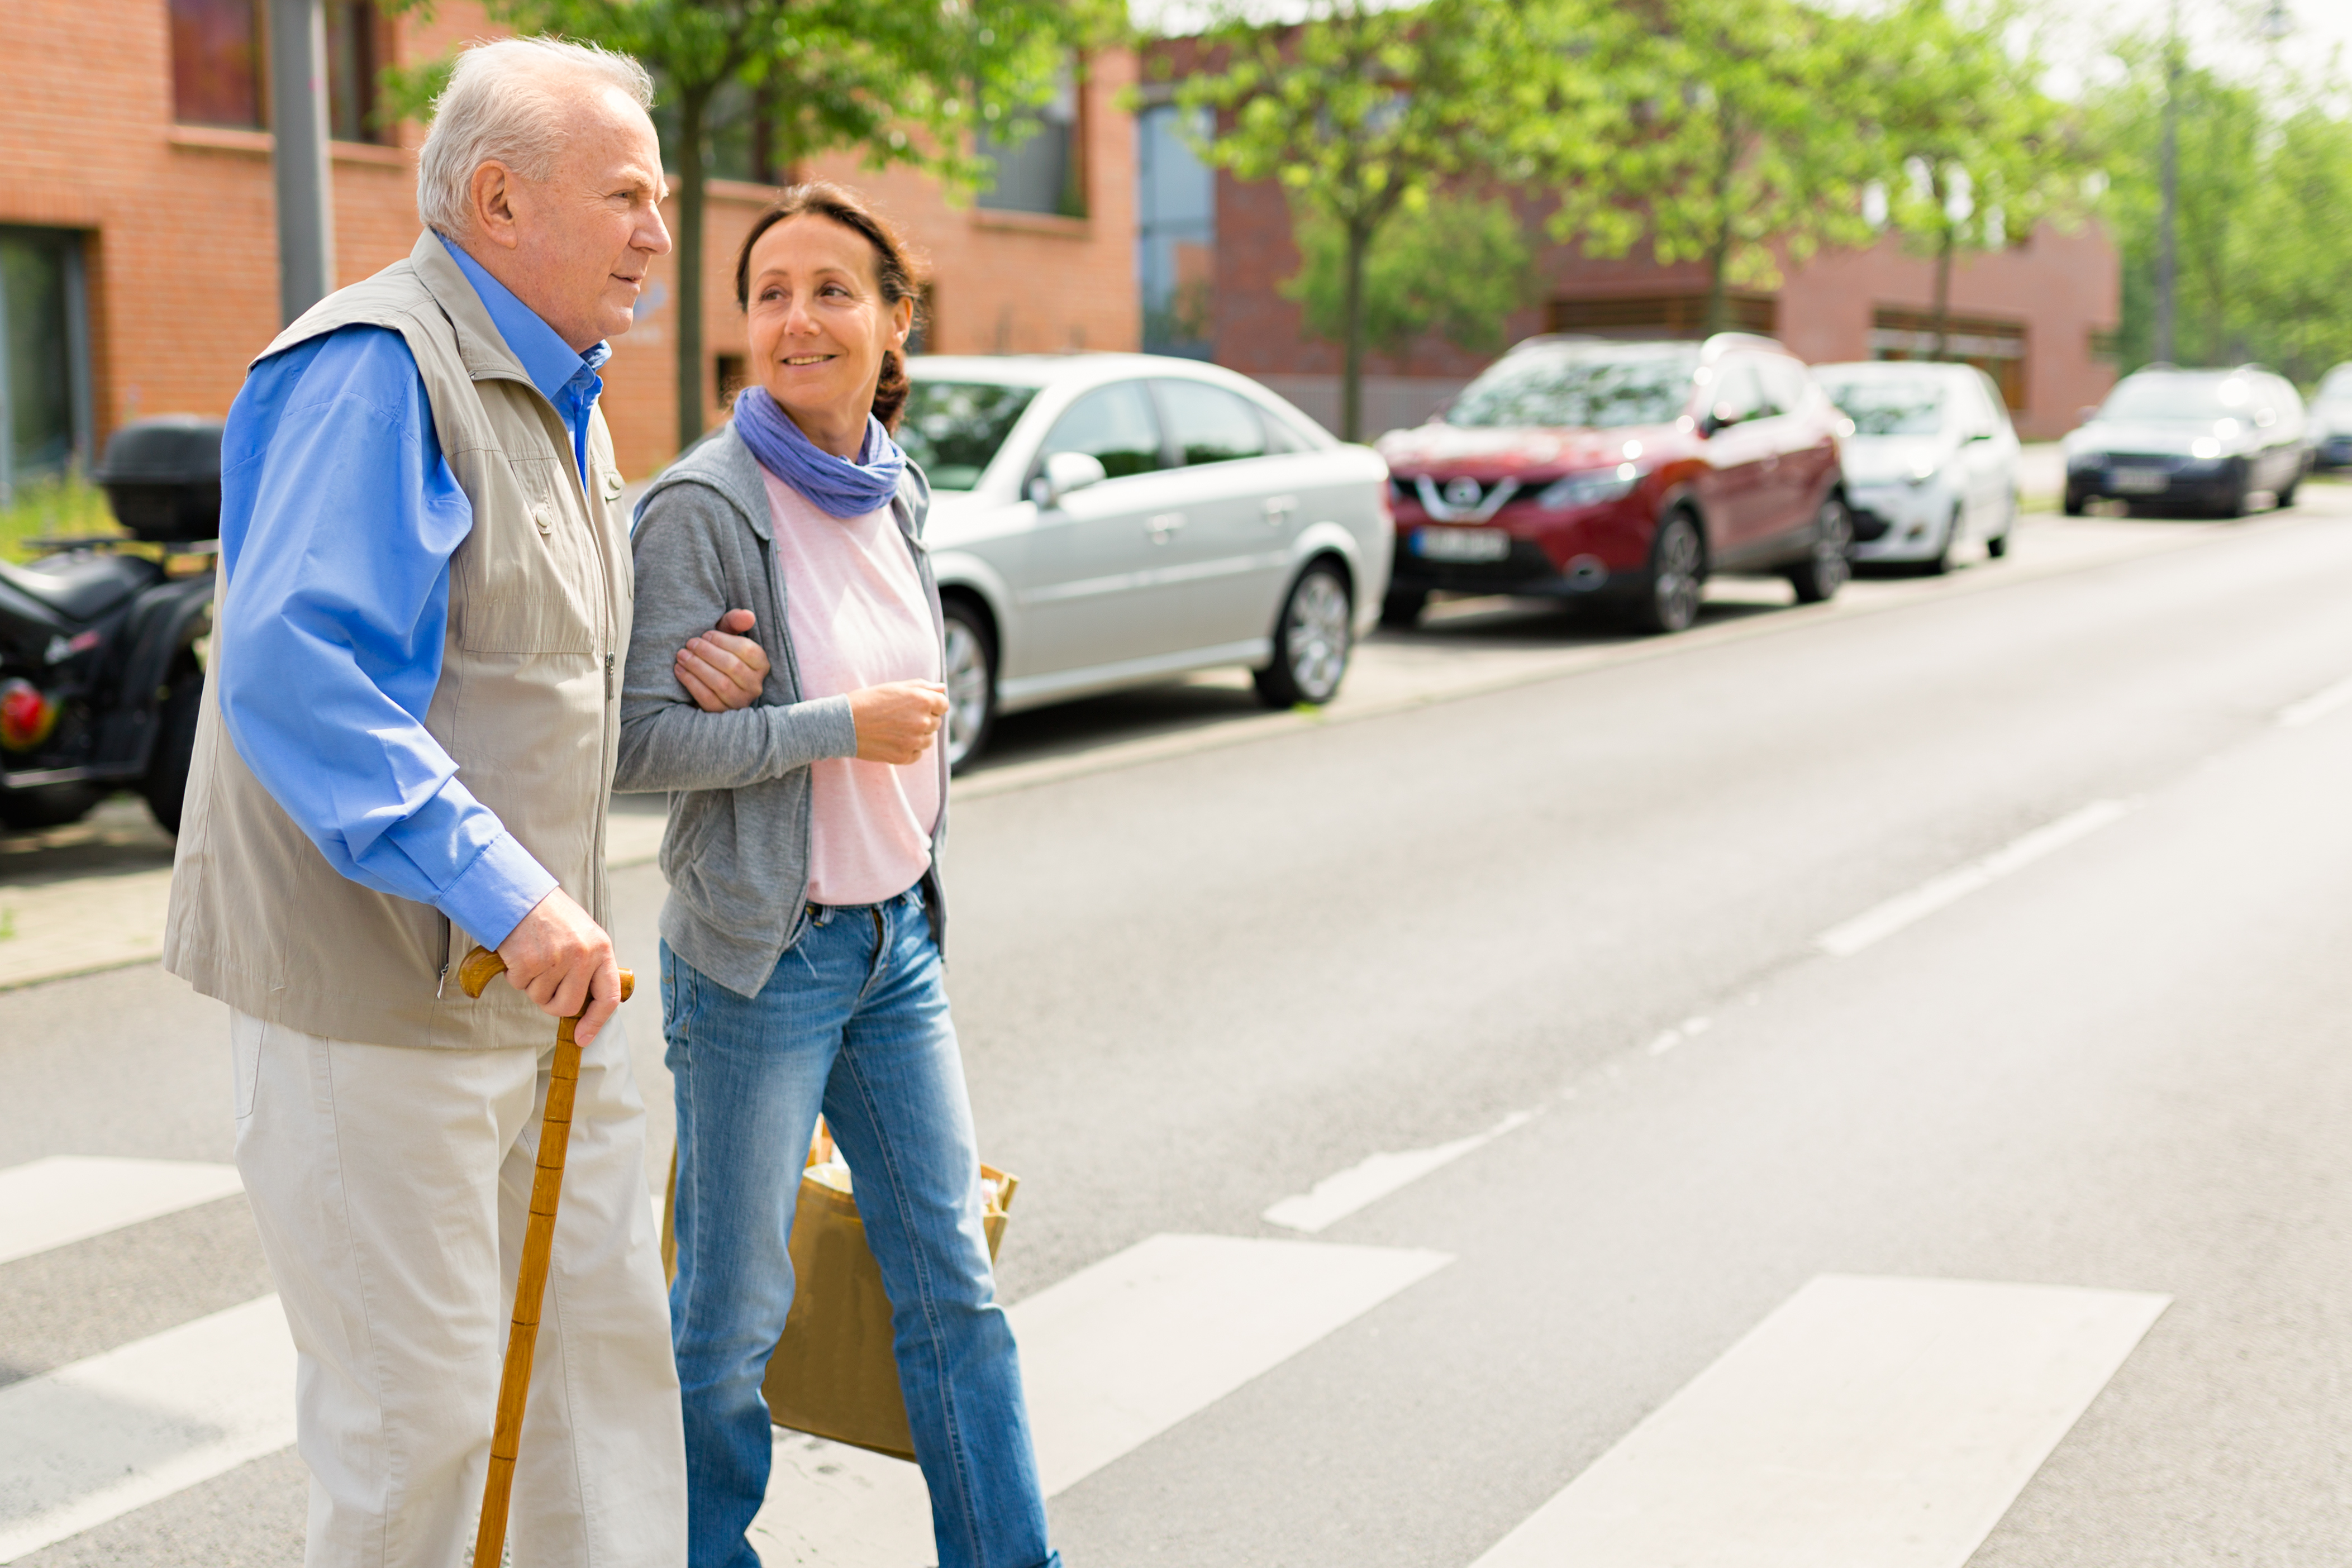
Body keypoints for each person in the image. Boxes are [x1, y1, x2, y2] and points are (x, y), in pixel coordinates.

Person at [164, 38, 707, 1567]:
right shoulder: (375, 368)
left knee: (597, 1395)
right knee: (419, 1433)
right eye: (625, 195)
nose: (658, 230)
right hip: (380, 1012)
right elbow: (302, 676)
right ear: (498, 199)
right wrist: (516, 896)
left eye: (657, 195)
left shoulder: (569, 401)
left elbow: (531, 676)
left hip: (541, 1010)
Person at [616, 182, 1061, 1568]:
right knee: (730, 1316)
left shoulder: (893, 488)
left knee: (952, 1290)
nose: (796, 319)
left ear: (891, 320)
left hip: (893, 950)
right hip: (761, 958)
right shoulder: (700, 506)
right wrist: (827, 731)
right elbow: (634, 746)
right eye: (769, 294)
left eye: (830, 289)